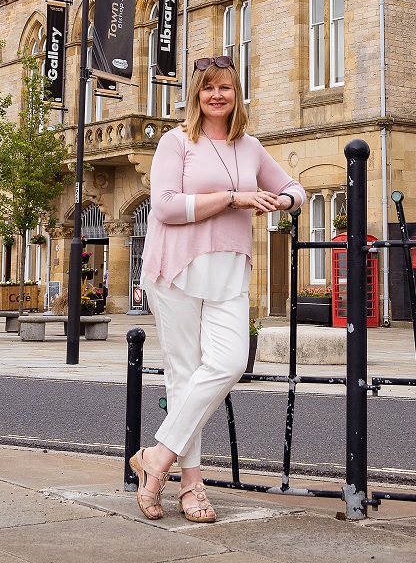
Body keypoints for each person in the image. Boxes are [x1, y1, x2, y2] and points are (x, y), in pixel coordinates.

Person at [129, 55, 304, 523]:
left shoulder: (249, 147)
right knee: (184, 377)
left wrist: (280, 199)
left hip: (228, 271)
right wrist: (233, 198)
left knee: (228, 362)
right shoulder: (175, 142)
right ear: (196, 95)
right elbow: (164, 207)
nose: (217, 95)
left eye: (225, 87)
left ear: (236, 93)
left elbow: (295, 189)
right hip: (178, 269)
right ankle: (191, 485)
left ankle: (156, 458)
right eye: (208, 88)